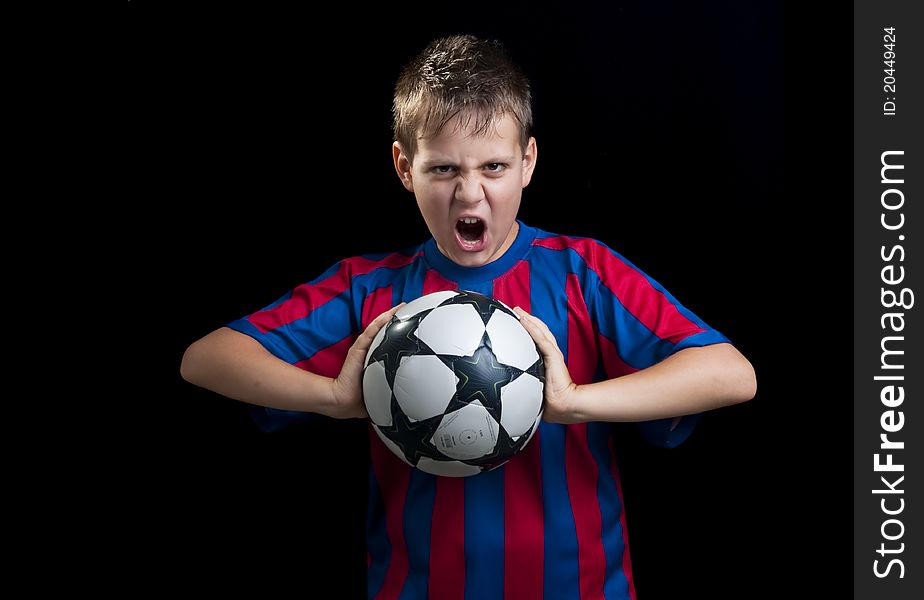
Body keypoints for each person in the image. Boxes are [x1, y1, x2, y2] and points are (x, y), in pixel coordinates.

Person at [181, 34, 756, 599]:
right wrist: (336, 397)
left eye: (495, 166)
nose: (470, 193)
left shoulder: (584, 273)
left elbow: (731, 375)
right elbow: (206, 358)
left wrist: (572, 401)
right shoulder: (368, 286)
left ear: (528, 162)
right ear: (404, 168)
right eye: (443, 170)